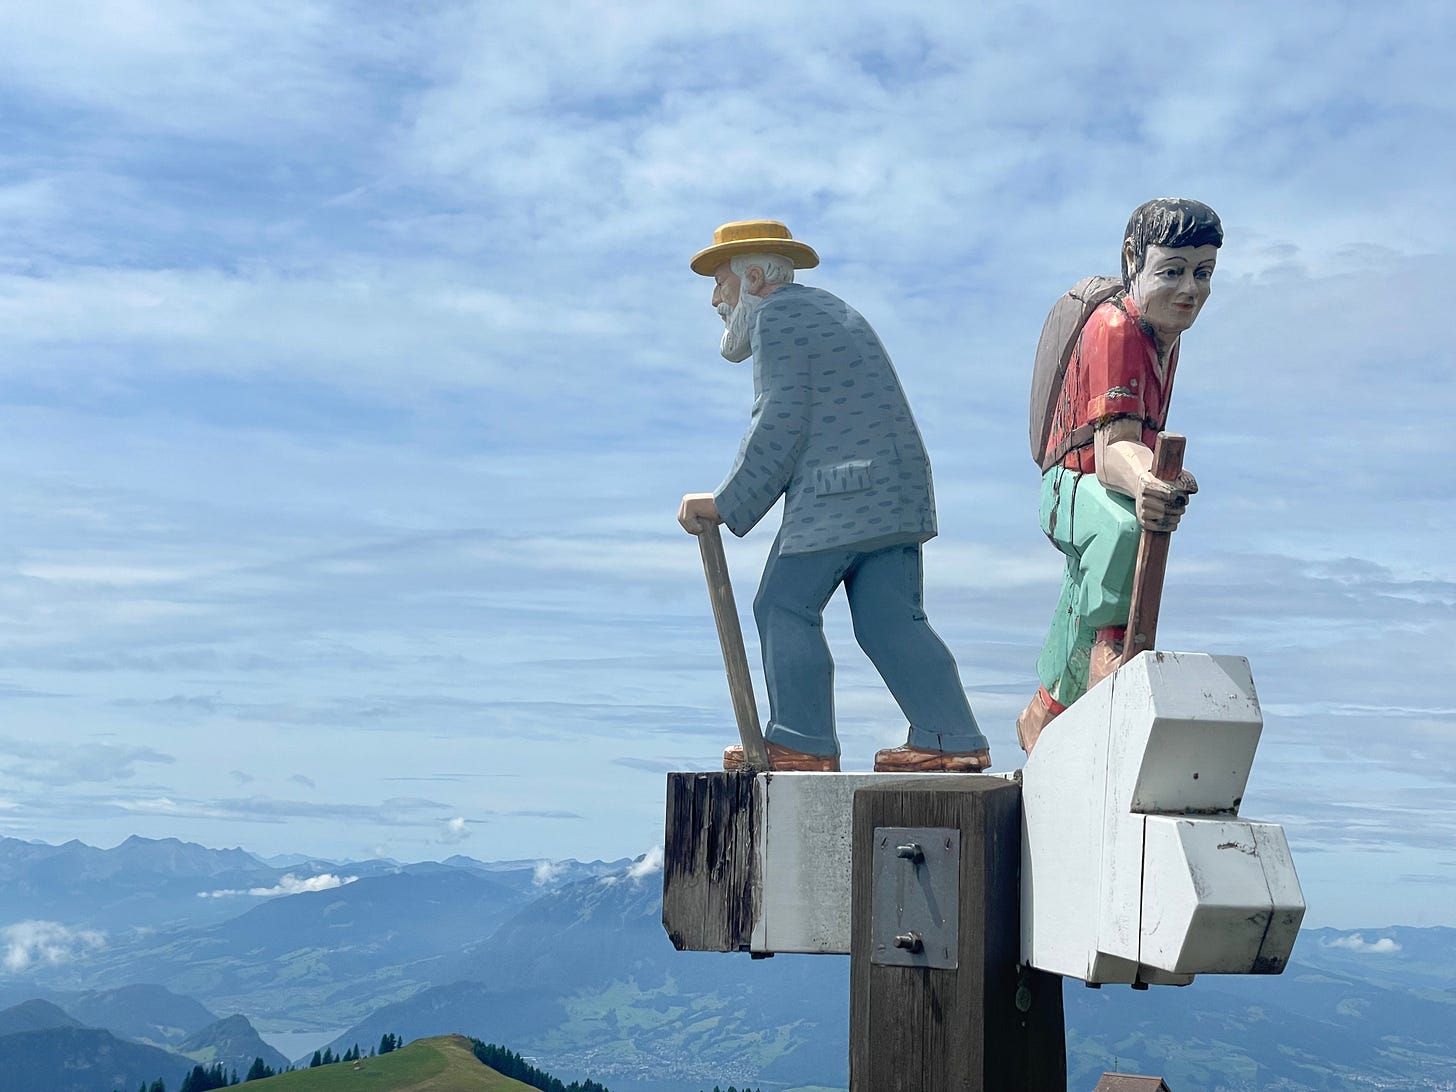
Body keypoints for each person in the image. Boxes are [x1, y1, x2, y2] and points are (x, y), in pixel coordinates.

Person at [677, 219, 990, 772]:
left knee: (782, 604)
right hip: (894, 491)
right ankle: (951, 738)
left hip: (844, 492)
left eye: (720, 284)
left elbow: (780, 421)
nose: (714, 300)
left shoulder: (780, 318)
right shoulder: (826, 310)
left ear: (753, 276)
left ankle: (801, 742)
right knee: (889, 618)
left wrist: (726, 504)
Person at [1017, 198, 1222, 753]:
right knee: (1123, 530)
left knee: (1081, 591)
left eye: (1202, 273)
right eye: (1173, 271)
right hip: (1070, 483)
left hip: (1104, 482)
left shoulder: (1164, 338)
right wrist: (1150, 482)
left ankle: (1047, 709)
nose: (1190, 290)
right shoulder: (1117, 328)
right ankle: (1111, 647)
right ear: (1136, 259)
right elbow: (1112, 448)